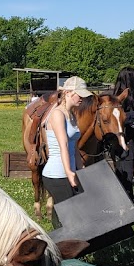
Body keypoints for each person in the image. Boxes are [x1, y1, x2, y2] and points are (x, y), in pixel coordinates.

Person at [41, 76, 92, 229]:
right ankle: (62, 246)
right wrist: (69, 173)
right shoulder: (58, 114)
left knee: (72, 212)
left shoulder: (72, 115)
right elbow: (63, 145)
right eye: (79, 94)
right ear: (68, 93)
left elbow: (74, 147)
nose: (82, 99)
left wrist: (81, 169)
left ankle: (65, 244)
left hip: (70, 171)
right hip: (57, 174)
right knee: (68, 216)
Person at [110, 67, 134, 194]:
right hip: (123, 138)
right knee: (127, 171)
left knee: (124, 170)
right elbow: (116, 119)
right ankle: (127, 199)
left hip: (127, 137)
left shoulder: (125, 95)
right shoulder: (120, 98)